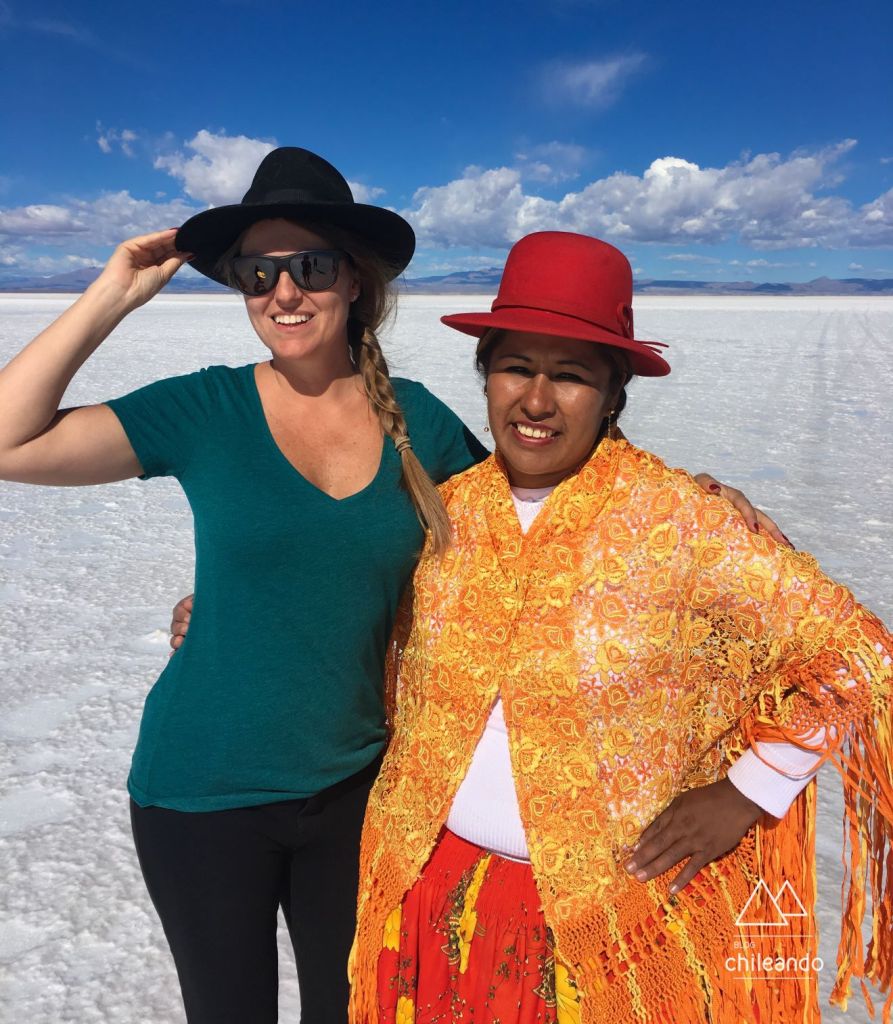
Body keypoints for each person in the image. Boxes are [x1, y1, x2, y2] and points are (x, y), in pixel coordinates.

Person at [0, 147, 779, 1024]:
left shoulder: (418, 422)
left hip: (361, 794)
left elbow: (539, 513)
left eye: (309, 266)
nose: (284, 292)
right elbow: (8, 442)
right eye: (259, 273)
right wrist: (114, 293)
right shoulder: (204, 410)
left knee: (358, 1009)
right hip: (202, 793)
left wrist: (686, 495)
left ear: (356, 281)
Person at [346, 232, 893, 1024]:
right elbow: (358, 623)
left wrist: (747, 791)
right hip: (424, 898)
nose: (535, 401)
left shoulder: (679, 520)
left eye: (570, 376)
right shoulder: (446, 511)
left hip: (603, 934)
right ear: (485, 374)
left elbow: (861, 655)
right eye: (514, 367)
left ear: (612, 394)